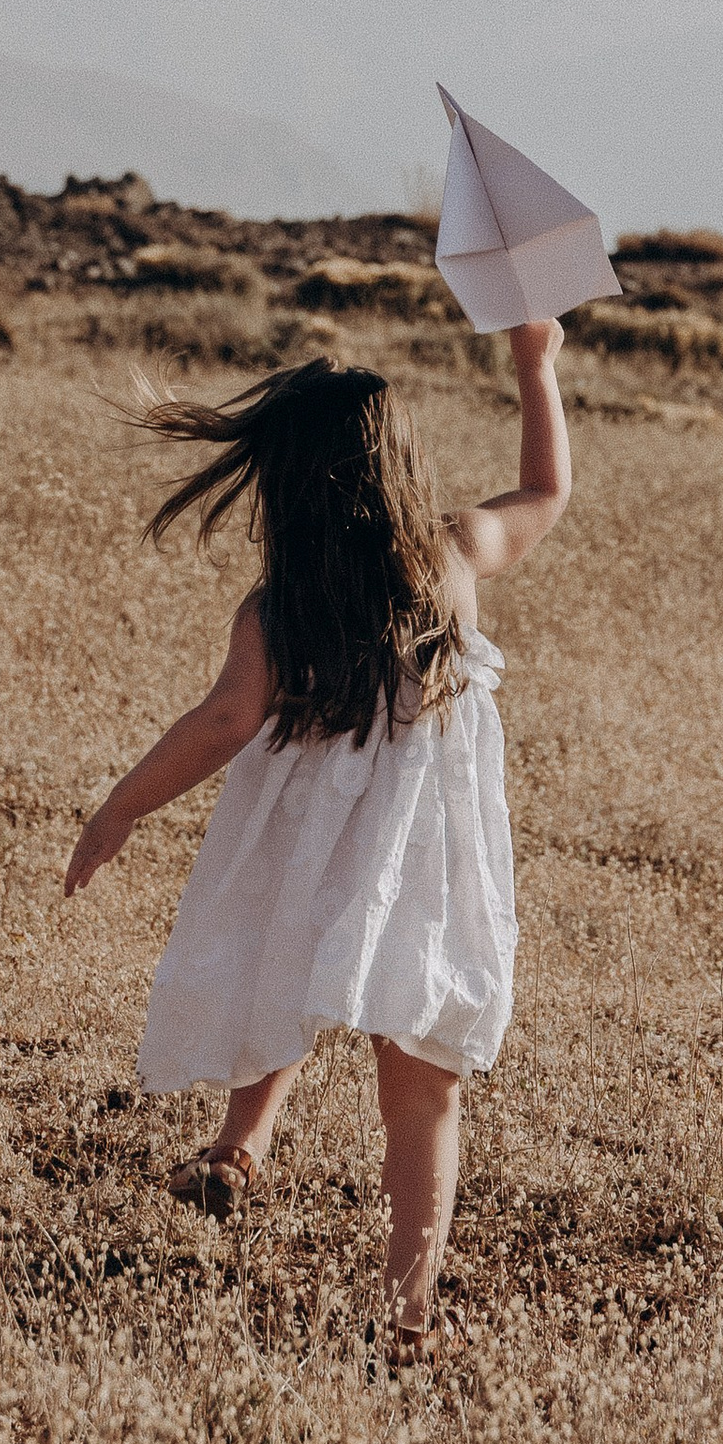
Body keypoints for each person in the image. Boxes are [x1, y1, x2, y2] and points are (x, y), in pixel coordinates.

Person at [62, 323, 571, 1358]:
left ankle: (239, 1147)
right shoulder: (451, 555)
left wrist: (118, 810)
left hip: (306, 836)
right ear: (396, 462)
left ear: (279, 482)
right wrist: (535, 365)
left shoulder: (278, 606)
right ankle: (407, 1316)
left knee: (281, 967)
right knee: (421, 1084)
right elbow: (546, 495)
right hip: (423, 848)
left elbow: (223, 723)